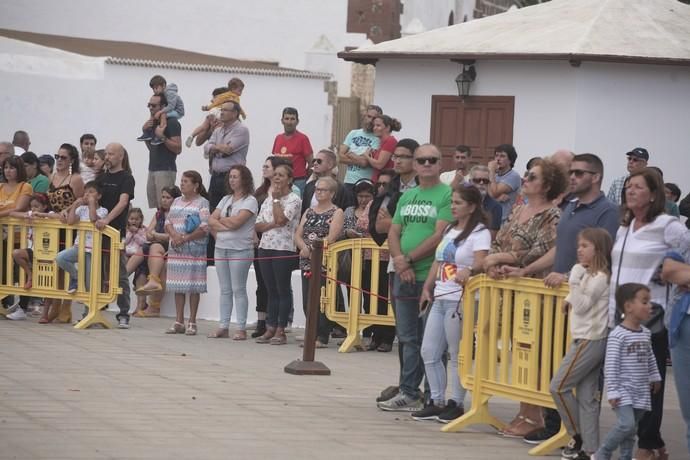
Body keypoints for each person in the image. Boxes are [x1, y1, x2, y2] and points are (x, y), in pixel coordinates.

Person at [504, 153, 619, 445]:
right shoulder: (569, 206)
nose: (573, 177)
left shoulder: (607, 211)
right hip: (559, 298)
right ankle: (558, 425)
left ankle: (579, 437)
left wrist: (569, 276)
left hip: (587, 303)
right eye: (572, 172)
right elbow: (560, 249)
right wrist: (526, 270)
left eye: (580, 173)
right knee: (550, 359)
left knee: (578, 378)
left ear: (596, 177)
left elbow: (602, 256)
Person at [608, 167, 690, 460]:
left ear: (654, 194)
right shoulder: (625, 227)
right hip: (620, 317)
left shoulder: (668, 225)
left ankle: (645, 446)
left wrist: (672, 273)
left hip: (651, 318)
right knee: (629, 383)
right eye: (628, 186)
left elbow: (687, 252)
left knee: (649, 385)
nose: (631, 191)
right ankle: (653, 442)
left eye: (639, 187)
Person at [483, 157, 566, 438]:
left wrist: (502, 258)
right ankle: (524, 410)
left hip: (535, 291)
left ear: (547, 185)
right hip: (510, 291)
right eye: (527, 176)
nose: (526, 180)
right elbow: (499, 240)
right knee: (518, 351)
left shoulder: (553, 215)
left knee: (536, 354)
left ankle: (536, 414)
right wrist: (494, 262)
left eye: (532, 177)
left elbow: (539, 250)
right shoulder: (517, 209)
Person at [377, 143, 453, 412]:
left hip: (430, 277)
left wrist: (407, 260)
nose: (427, 164)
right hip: (403, 274)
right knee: (408, 338)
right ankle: (409, 391)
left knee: (433, 342)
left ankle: (434, 395)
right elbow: (394, 230)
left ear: (441, 164)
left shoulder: (446, 195)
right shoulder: (408, 196)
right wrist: (400, 261)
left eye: (433, 160)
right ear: (416, 164)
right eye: (422, 160)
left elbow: (439, 235)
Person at [413, 185, 490, 423]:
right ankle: (436, 400)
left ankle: (456, 402)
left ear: (472, 206)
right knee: (429, 350)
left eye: (458, 203)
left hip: (461, 298)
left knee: (457, 352)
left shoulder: (480, 232)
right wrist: (427, 287)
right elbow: (438, 262)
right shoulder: (449, 229)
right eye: (452, 202)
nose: (453, 207)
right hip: (441, 295)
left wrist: (469, 269)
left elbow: (481, 262)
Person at [549, 228, 612, 460]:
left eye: (585, 246)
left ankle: (577, 433)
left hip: (591, 339)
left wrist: (572, 282)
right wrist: (570, 295)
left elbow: (583, 304)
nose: (579, 250)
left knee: (558, 386)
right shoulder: (586, 274)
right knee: (587, 397)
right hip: (583, 337)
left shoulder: (600, 277)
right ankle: (591, 450)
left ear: (598, 249)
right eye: (579, 245)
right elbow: (575, 300)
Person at [594, 283, 662, 460]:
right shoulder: (618, 335)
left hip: (641, 390)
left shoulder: (645, 333)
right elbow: (611, 364)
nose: (650, 306)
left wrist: (655, 376)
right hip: (624, 390)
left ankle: (625, 456)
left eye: (650, 302)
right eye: (645, 302)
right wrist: (614, 390)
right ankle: (603, 452)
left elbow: (650, 358)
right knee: (626, 425)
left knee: (631, 429)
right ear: (628, 306)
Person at [369, 140, 420, 368]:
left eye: (404, 156)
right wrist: (398, 223)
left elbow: (422, 226)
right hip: (395, 263)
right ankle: (406, 384)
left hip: (422, 265)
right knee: (405, 331)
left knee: (422, 333)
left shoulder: (425, 187)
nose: (397, 160)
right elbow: (379, 226)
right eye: (395, 156)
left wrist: (396, 222)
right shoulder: (391, 186)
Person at [207, 165, 258, 340]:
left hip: (240, 249)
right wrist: (223, 223)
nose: (232, 180)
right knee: (225, 289)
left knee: (238, 288)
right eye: (230, 177)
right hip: (221, 247)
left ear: (244, 179)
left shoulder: (250, 200)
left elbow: (238, 222)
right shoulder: (226, 199)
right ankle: (223, 325)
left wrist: (220, 222)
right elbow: (210, 220)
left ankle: (241, 327)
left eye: (235, 177)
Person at [254, 164, 301, 345]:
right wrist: (273, 224)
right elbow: (258, 226)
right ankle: (270, 326)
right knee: (270, 289)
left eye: (281, 175)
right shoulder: (266, 199)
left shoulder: (293, 199)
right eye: (275, 175)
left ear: (289, 179)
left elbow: (282, 220)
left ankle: (281, 328)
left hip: (283, 248)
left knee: (282, 289)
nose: (276, 179)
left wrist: (275, 201)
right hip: (265, 246)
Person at [294, 176, 344, 347]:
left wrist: (315, 249)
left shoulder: (336, 212)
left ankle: (322, 336)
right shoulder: (309, 211)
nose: (319, 192)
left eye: (323, 189)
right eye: (317, 189)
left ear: (332, 193)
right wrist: (304, 247)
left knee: (321, 298)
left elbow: (332, 236)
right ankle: (311, 331)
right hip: (307, 259)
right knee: (307, 298)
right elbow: (298, 234)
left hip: (324, 260)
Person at [94, 143, 136, 329]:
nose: (107, 157)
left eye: (111, 154)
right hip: (97, 233)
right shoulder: (101, 177)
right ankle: (92, 309)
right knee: (95, 271)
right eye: (106, 154)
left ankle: (124, 312)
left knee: (119, 274)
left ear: (120, 156)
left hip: (115, 232)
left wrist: (107, 220)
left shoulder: (126, 178)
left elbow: (123, 202)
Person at [164, 171, 210, 336]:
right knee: (178, 286)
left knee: (193, 286)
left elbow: (205, 226)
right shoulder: (176, 201)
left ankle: (192, 321)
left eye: (186, 181)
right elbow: (168, 221)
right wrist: (175, 235)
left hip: (194, 250)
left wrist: (186, 238)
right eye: (181, 181)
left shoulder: (202, 203)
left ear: (196, 185)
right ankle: (178, 321)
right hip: (176, 248)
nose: (182, 184)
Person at [133, 185, 181, 317]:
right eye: (163, 197)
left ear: (175, 199)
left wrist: (156, 235)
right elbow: (148, 233)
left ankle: (154, 303)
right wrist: (157, 235)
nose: (164, 200)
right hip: (156, 247)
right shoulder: (159, 214)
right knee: (142, 258)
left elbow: (171, 236)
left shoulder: (177, 214)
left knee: (157, 259)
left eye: (168, 197)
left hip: (170, 248)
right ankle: (122, 276)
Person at [661, 248, 690, 457]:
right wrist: (679, 272)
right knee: (688, 406)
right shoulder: (686, 239)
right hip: (683, 325)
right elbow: (669, 271)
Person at [6, 193, 54, 321]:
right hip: (32, 250)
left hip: (47, 253)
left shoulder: (49, 215)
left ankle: (45, 313)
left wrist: (42, 216)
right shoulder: (30, 214)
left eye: (36, 207)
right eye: (31, 207)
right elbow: (12, 214)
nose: (33, 209)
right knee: (16, 254)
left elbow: (60, 217)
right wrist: (26, 215)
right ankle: (29, 275)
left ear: (44, 206)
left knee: (49, 285)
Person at [55, 181, 108, 294]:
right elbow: (70, 222)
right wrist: (74, 205)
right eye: (86, 192)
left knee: (89, 282)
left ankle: (88, 310)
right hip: (78, 247)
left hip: (92, 250)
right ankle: (75, 277)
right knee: (60, 258)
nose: (87, 194)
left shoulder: (103, 210)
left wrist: (92, 203)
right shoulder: (82, 209)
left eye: (91, 192)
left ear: (99, 196)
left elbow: (94, 219)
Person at [203, 101, 250, 210]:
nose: (221, 113)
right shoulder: (218, 130)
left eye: (225, 110)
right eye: (221, 110)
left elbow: (228, 150)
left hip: (231, 177)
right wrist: (217, 147)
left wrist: (215, 147)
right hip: (215, 176)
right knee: (213, 209)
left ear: (235, 113)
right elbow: (206, 148)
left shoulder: (241, 130)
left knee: (228, 209)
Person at [0, 156, 33, 310]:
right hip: (4, 237)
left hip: (21, 236)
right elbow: (11, 210)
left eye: (12, 168)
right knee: (4, 270)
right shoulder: (0, 187)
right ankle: (5, 302)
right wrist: (7, 212)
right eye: (6, 167)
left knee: (20, 272)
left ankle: (23, 306)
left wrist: (3, 213)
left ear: (19, 169)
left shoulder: (25, 186)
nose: (8, 171)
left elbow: (19, 208)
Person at [142, 92, 182, 209]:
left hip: (166, 169)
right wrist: (146, 133)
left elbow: (178, 148)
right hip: (152, 169)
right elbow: (152, 148)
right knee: (157, 207)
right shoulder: (154, 123)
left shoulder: (172, 122)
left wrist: (162, 137)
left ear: (163, 106)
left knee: (166, 207)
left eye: (154, 106)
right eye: (149, 105)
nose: (150, 108)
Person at [186, 78, 246, 148]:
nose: (212, 101)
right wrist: (211, 129)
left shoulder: (237, 125)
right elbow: (198, 142)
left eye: (215, 98)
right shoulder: (213, 118)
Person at [338, 105, 382, 194]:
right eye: (369, 116)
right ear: (364, 116)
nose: (370, 121)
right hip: (348, 181)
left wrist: (350, 154)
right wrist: (359, 159)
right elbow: (340, 157)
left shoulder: (378, 138)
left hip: (366, 183)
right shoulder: (353, 133)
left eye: (374, 118)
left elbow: (365, 162)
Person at [272, 107, 313, 195]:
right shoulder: (278, 138)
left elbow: (311, 163)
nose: (289, 122)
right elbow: (274, 161)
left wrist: (304, 178)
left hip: (297, 182)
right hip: (279, 182)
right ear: (282, 121)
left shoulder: (303, 139)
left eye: (292, 119)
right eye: (286, 118)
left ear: (297, 121)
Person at [301, 148, 352, 216]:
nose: (315, 163)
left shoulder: (340, 189)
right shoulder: (309, 186)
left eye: (319, 161)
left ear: (330, 165)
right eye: (314, 161)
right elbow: (303, 212)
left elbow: (345, 212)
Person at [137, 74, 184, 145]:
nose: (154, 90)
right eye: (153, 89)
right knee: (154, 111)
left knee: (162, 114)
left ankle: (161, 130)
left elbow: (171, 106)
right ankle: (149, 131)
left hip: (178, 111)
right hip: (170, 109)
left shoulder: (170, 93)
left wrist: (160, 112)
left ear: (164, 86)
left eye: (156, 88)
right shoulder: (161, 94)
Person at [487, 144, 521, 223]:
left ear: (510, 160)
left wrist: (491, 171)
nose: (498, 159)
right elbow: (488, 195)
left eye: (502, 156)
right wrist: (496, 199)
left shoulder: (513, 176)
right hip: (491, 218)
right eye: (496, 156)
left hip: (505, 221)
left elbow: (494, 192)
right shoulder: (494, 176)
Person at [362, 114, 400, 183]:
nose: (374, 128)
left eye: (378, 125)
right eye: (374, 125)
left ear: (387, 128)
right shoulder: (381, 142)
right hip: (377, 182)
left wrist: (366, 156)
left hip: (384, 184)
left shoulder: (390, 141)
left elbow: (379, 165)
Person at [124, 207, 148, 316]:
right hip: (127, 255)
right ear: (128, 219)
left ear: (141, 219)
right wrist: (130, 233)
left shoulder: (144, 230)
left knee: (140, 273)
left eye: (137, 219)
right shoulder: (125, 230)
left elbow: (144, 242)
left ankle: (140, 306)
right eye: (132, 219)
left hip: (138, 257)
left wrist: (136, 234)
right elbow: (125, 242)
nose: (134, 221)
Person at [468, 165, 502, 238]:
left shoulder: (496, 207)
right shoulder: (461, 202)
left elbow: (492, 236)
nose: (481, 183)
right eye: (477, 180)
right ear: (470, 182)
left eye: (485, 181)